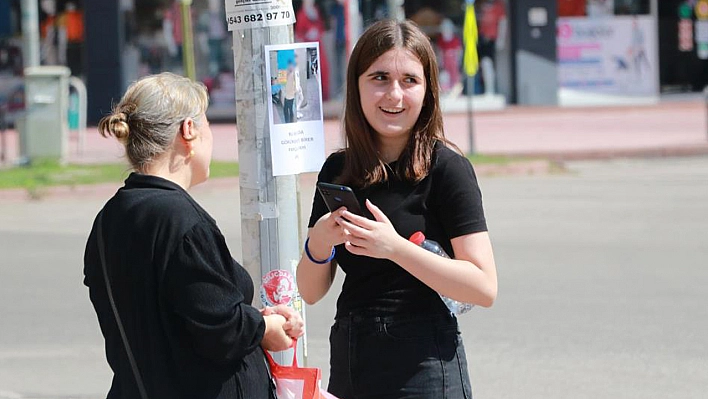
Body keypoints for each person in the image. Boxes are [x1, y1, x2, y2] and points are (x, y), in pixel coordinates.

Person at [296, 20, 498, 399]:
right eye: (379, 78)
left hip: (424, 366)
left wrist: (395, 247)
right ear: (357, 86)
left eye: (409, 81)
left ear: (428, 91)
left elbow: (483, 288)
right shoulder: (338, 170)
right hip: (353, 360)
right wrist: (319, 242)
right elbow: (309, 292)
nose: (394, 95)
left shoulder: (447, 169)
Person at [84, 72, 304, 399]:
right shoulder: (181, 220)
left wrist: (254, 320)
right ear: (189, 130)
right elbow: (219, 330)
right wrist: (264, 329)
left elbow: (184, 314)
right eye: (206, 124)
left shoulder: (109, 218)